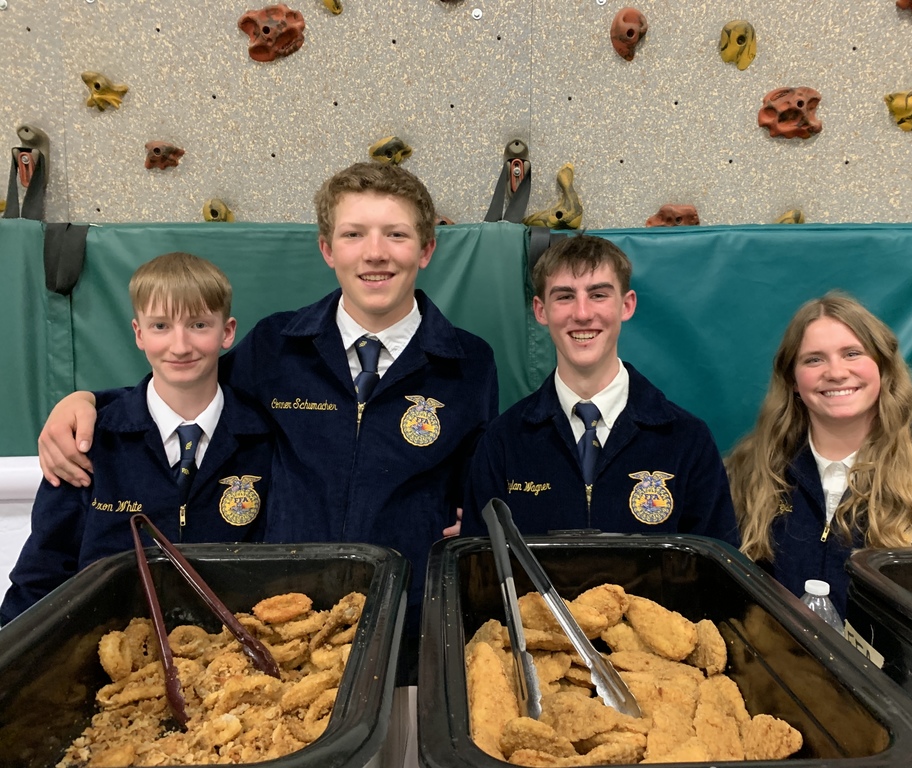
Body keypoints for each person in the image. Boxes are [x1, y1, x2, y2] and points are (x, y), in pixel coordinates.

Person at [34, 162, 498, 674]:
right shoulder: (277, 347)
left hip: (411, 622)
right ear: (327, 249)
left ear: (426, 249)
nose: (375, 252)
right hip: (288, 624)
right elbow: (187, 381)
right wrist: (88, 401)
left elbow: (476, 482)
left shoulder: (469, 364)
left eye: (396, 234)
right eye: (353, 234)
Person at [2, 252, 273, 624]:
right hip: (107, 654)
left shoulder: (264, 440)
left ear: (227, 332)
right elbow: (43, 573)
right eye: (161, 326)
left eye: (198, 325)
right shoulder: (88, 440)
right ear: (139, 333)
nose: (180, 346)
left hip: (226, 656)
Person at [725, 292, 912, 617]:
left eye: (852, 353)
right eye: (814, 359)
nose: (836, 372)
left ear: (883, 368)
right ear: (793, 381)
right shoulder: (748, 474)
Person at [462, 234, 737, 544]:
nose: (581, 313)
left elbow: (717, 574)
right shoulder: (503, 442)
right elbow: (482, 574)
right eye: (564, 296)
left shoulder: (686, 441)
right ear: (541, 311)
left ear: (627, 305)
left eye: (598, 295)